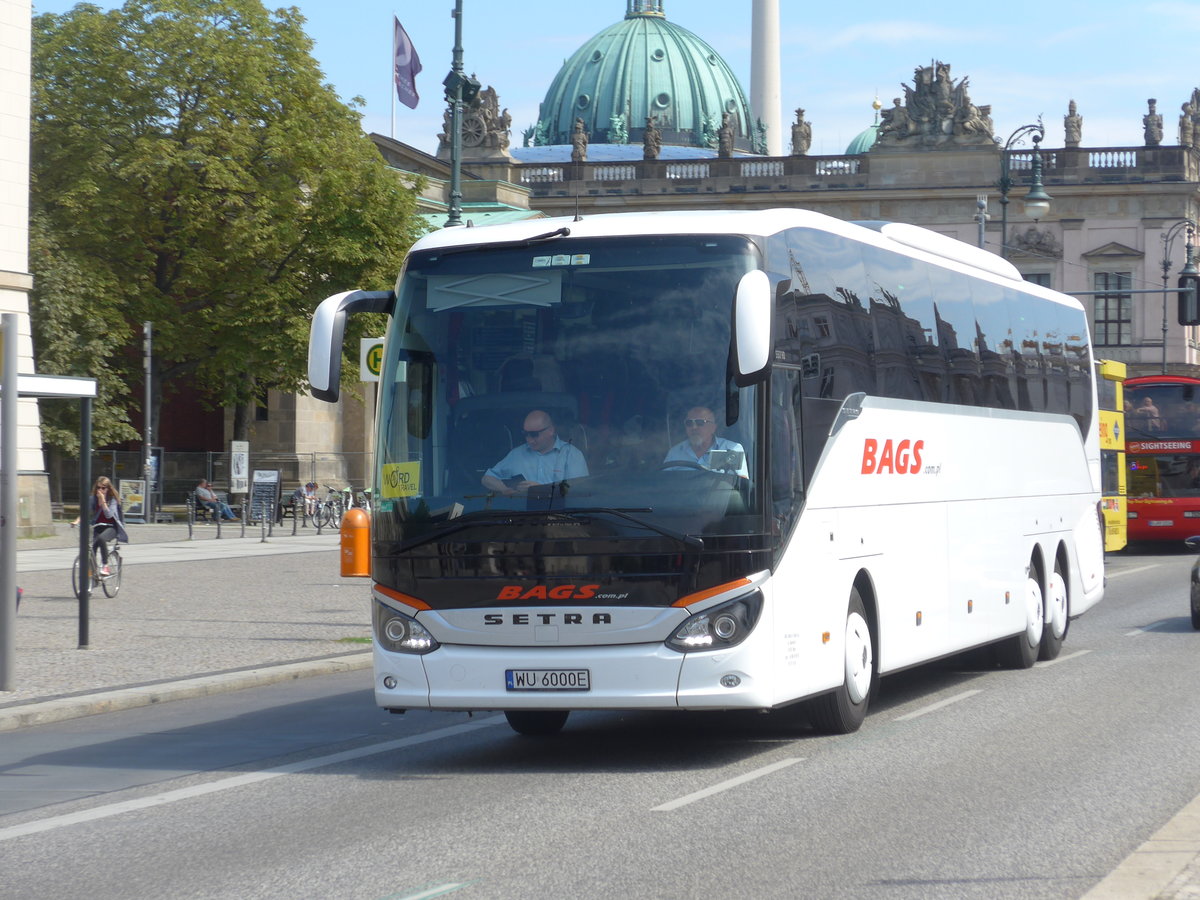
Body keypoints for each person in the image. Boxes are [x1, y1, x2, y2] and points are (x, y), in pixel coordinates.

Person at [482, 409, 588, 496]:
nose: (529, 440)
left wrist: (541, 490)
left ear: (550, 430)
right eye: (525, 434)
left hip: (559, 516)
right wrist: (504, 489)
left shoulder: (571, 455)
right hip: (519, 516)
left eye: (534, 434)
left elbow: (579, 491)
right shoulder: (517, 454)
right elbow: (487, 478)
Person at [663, 406, 749, 477]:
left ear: (713, 427)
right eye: (689, 423)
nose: (694, 427)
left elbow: (741, 485)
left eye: (700, 423)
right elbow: (664, 483)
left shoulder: (732, 449)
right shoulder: (674, 453)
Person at [76, 476, 129, 576]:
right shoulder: (93, 499)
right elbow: (85, 512)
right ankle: (91, 574)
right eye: (98, 487)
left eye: (103, 488)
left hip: (111, 527)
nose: (100, 490)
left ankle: (106, 565)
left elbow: (109, 515)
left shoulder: (112, 500)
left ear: (108, 489)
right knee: (91, 548)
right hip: (98, 526)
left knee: (101, 539)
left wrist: (103, 501)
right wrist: (77, 521)